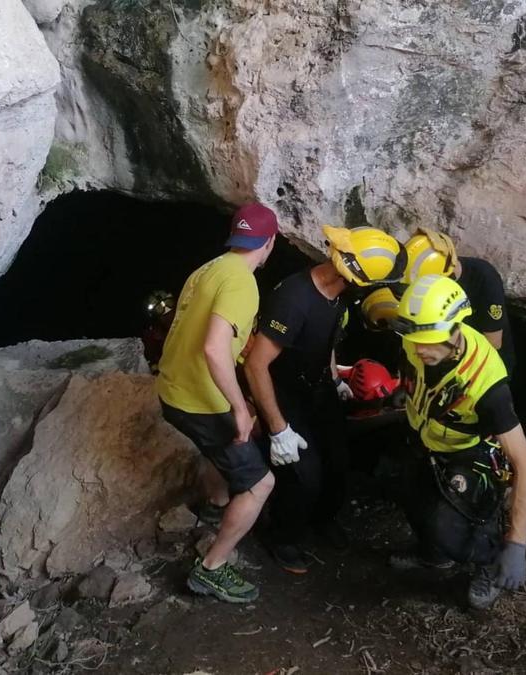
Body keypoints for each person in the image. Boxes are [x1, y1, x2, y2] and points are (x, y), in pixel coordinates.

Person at [244, 225, 405, 573]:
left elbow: (328, 339)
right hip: (285, 392)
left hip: (319, 388)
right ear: (361, 280)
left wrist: (334, 379)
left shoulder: (338, 295)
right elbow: (256, 364)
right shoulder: (293, 299)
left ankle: (322, 519)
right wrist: (277, 428)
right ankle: (282, 537)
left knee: (338, 461)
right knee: (305, 474)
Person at [388, 274, 526, 610]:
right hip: (425, 437)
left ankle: (487, 561)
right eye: (415, 339)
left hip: (468, 452)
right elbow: (412, 364)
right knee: (409, 491)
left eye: (431, 341)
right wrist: (406, 390)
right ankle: (432, 555)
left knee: (451, 525)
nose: (420, 348)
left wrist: (516, 543)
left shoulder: (486, 384)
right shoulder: (415, 339)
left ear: (456, 329)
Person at [156, 202, 279, 603]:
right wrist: (241, 409)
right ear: (269, 243)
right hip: (198, 400)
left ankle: (215, 504)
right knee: (261, 483)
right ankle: (211, 569)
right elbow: (213, 347)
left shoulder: (207, 269)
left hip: (173, 391)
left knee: (220, 448)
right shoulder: (243, 283)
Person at [401, 228, 516, 374]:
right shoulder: (435, 274)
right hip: (443, 354)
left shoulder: (484, 279)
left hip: (486, 367)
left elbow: (493, 343)